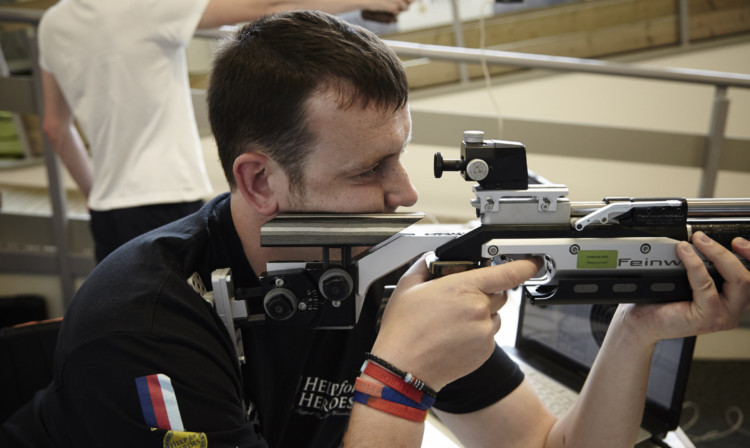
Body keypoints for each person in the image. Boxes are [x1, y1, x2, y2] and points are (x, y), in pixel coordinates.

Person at [3, 10, 748, 448]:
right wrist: (399, 378)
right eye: (368, 171)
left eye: (401, 156)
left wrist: (637, 330)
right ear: (260, 180)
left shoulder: (378, 273)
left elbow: (545, 444)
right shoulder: (145, 323)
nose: (406, 193)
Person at [37, 0, 414, 262]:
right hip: (167, 195)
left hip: (108, 208)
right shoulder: (144, 7)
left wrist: (97, 191)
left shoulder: (52, 24)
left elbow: (55, 127)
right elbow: (264, 13)